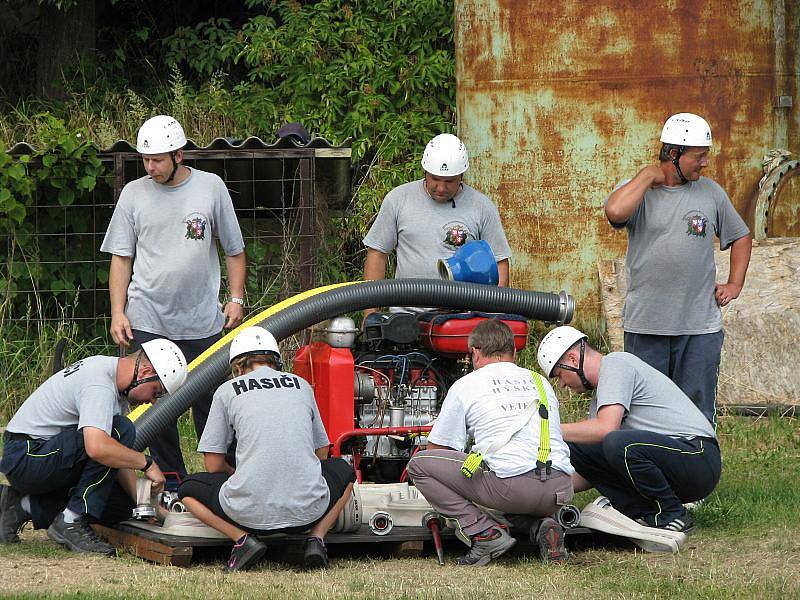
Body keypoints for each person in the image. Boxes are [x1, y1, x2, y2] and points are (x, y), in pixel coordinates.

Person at [100, 115, 247, 477]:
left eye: (158, 159)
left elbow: (235, 250)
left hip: (202, 321)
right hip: (148, 317)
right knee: (154, 404)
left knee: (211, 402)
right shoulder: (133, 194)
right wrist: (118, 312)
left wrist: (236, 298)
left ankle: (219, 477)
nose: (151, 167)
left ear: (179, 155)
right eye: (146, 160)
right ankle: (171, 479)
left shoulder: (211, 188)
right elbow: (121, 257)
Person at [604, 113, 752, 425]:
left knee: (697, 412)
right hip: (646, 327)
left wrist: (734, 284)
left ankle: (697, 469)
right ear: (674, 154)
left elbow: (740, 236)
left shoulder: (710, 193)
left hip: (699, 329)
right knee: (645, 412)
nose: (705, 164)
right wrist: (646, 176)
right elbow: (615, 212)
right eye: (699, 157)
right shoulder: (637, 191)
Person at [177, 326, 356, 572]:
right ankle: (316, 538)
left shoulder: (227, 391)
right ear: (275, 360)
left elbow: (213, 465)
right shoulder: (302, 385)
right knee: (344, 470)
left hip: (247, 516)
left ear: (237, 365)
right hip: (308, 513)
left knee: (188, 488)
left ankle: (242, 540)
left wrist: (239, 475)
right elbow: (322, 452)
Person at [407, 319, 574, 566]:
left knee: (420, 464)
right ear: (514, 352)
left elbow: (438, 450)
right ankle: (541, 525)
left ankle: (484, 533)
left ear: (474, 353)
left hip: (510, 488)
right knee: (501, 472)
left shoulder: (466, 385)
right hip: (558, 489)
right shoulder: (541, 383)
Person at [0, 340, 188, 556]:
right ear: (145, 371)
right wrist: (146, 463)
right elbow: (97, 448)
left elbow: (114, 457)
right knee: (121, 430)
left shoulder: (115, 385)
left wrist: (145, 503)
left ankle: (20, 506)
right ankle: (71, 520)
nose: (153, 401)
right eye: (156, 392)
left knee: (121, 506)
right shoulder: (100, 383)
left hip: (38, 457)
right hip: (27, 456)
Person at [537, 326, 721, 534]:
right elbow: (591, 469)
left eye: (559, 375)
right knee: (582, 446)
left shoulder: (616, 364)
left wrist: (546, 429)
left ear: (572, 359)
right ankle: (640, 515)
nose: (561, 384)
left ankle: (672, 514)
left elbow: (606, 430)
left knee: (616, 442)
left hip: (698, 457)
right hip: (675, 462)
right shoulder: (601, 397)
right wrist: (545, 491)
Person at [362, 133, 512, 315]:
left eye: (449, 181)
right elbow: (377, 254)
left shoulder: (481, 206)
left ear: (461, 176)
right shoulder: (398, 199)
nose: (441, 188)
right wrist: (370, 315)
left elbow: (499, 262)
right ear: (425, 171)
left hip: (461, 319)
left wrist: (493, 317)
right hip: (406, 315)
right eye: (435, 179)